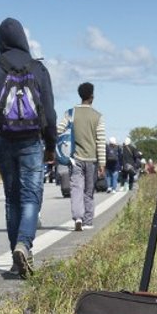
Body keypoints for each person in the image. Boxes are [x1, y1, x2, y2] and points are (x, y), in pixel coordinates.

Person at [0, 17, 57, 278]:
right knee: (31, 195)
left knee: (12, 198)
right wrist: (51, 145)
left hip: (4, 141)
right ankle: (25, 245)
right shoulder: (38, 69)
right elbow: (51, 113)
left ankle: (15, 256)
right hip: (32, 140)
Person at [57, 82, 105, 230]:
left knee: (76, 188)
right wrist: (102, 163)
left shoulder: (70, 113)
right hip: (91, 159)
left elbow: (59, 130)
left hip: (74, 158)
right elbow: (101, 141)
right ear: (92, 96)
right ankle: (88, 220)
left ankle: (78, 217)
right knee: (89, 191)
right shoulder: (98, 116)